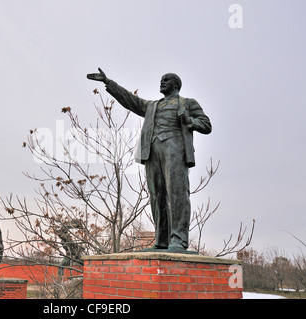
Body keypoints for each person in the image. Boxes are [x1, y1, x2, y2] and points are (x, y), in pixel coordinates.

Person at [87, 68, 212, 251]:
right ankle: (161, 240)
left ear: (175, 85)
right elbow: (131, 100)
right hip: (152, 151)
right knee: (157, 195)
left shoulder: (187, 103)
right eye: (161, 79)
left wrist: (189, 120)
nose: (161, 82)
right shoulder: (152, 106)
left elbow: (206, 124)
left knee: (177, 194)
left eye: (166, 80)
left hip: (175, 149)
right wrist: (109, 83)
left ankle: (178, 239)